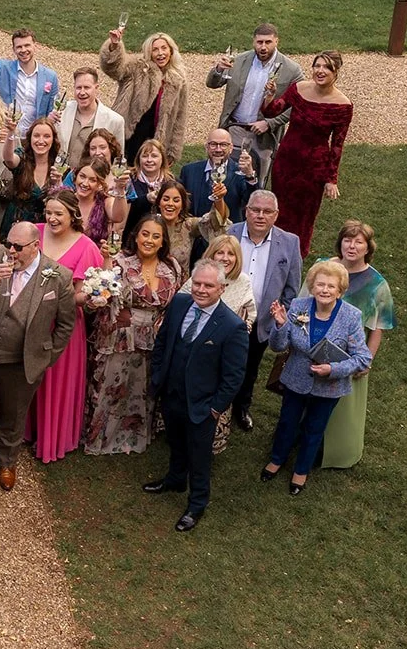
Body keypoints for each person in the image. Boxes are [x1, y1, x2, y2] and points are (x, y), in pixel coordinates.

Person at [144, 259, 250, 531]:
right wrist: (159, 375)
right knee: (175, 440)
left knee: (200, 456)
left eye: (209, 285)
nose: (201, 290)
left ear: (222, 288)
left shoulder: (232, 326)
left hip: (203, 404)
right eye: (198, 283)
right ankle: (175, 480)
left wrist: (215, 408)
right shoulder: (179, 304)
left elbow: (234, 376)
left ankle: (197, 503)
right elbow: (163, 341)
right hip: (171, 392)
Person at [0, 223, 77, 489]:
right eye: (9, 244)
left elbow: (66, 324)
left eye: (18, 247)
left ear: (35, 246)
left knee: (14, 414)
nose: (11, 251)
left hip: (22, 361)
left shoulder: (58, 276)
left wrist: (46, 356)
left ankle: (7, 462)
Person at [262, 260, 373, 495]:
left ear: (340, 290)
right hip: (295, 380)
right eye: (320, 284)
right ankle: (276, 459)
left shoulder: (351, 317)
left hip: (329, 387)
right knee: (287, 422)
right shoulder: (298, 306)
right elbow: (278, 345)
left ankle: (301, 471)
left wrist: (332, 370)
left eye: (331, 286)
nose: (325, 290)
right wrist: (281, 325)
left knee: (314, 428)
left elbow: (363, 358)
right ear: (312, 287)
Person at [83, 216, 181, 456]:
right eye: (145, 234)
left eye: (156, 236)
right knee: (111, 385)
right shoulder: (118, 263)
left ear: (162, 242)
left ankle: (132, 438)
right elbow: (99, 296)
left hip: (154, 337)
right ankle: (100, 439)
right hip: (119, 335)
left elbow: (174, 304)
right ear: (136, 236)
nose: (149, 240)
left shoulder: (172, 267)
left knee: (142, 387)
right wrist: (105, 261)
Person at [311, 220, 395, 469]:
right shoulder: (322, 267)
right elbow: (304, 302)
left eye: (359, 242)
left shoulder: (377, 284)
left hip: (348, 356)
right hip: (314, 346)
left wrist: (366, 359)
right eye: (348, 240)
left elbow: (378, 327)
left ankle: (335, 453)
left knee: (342, 411)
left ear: (368, 247)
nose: (352, 246)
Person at [29, 190, 106, 461]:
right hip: (29, 321)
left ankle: (52, 438)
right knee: (30, 377)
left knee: (54, 379)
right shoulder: (34, 233)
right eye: (48, 212)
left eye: (58, 213)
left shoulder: (86, 247)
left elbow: (80, 296)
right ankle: (29, 429)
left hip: (63, 327)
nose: (51, 218)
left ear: (73, 214)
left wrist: (63, 299)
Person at [262, 51, 353, 258]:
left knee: (304, 216)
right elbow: (271, 111)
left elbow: (337, 145)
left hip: (313, 168)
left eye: (327, 67)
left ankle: (295, 255)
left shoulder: (343, 105)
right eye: (317, 66)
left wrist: (331, 179)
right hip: (286, 160)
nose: (320, 71)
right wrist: (269, 95)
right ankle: (273, 250)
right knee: (280, 207)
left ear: (336, 72)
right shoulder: (299, 89)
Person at [226, 190, 303, 432]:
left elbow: (292, 287)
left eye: (267, 211)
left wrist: (282, 317)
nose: (260, 215)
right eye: (255, 210)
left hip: (261, 322)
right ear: (246, 211)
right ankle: (219, 405)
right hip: (226, 317)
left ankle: (241, 406)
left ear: (276, 215)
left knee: (249, 368)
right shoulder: (230, 234)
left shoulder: (290, 243)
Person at [178, 234, 257, 455]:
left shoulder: (243, 282)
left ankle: (209, 443)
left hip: (220, 353)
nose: (225, 257)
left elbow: (250, 314)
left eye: (230, 253)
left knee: (215, 397)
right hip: (193, 348)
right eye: (219, 252)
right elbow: (182, 302)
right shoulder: (200, 276)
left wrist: (244, 328)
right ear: (210, 254)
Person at [206, 23, 302, 183]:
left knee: (256, 183)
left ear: (277, 41)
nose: (263, 47)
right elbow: (212, 83)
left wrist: (270, 123)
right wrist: (219, 69)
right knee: (221, 179)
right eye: (259, 42)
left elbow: (299, 105)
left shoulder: (292, 69)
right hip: (234, 129)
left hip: (263, 137)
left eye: (268, 42)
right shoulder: (238, 60)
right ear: (253, 42)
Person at [100, 27, 189, 167]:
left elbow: (180, 117)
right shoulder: (138, 68)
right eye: (155, 49)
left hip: (154, 142)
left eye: (164, 48)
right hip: (128, 136)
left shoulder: (178, 80)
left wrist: (173, 151)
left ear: (171, 51)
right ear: (149, 52)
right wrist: (115, 45)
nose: (160, 53)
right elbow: (114, 69)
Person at [0, 29, 60, 129]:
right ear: (14, 49)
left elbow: (53, 108)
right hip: (5, 131)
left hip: (34, 136)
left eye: (27, 45)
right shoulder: (3, 68)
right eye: (19, 47)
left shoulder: (50, 76)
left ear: (35, 46)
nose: (23, 50)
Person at [0, 119, 64, 237]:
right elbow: (8, 158)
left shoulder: (58, 165)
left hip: (44, 228)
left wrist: (58, 183)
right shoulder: (22, 157)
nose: (41, 141)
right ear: (30, 138)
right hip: (16, 223)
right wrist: (11, 133)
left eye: (46, 136)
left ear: (53, 140)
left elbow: (62, 201)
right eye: (36, 136)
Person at [149, 178, 229, 278]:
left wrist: (219, 199)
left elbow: (216, 223)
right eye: (165, 199)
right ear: (159, 203)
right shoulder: (149, 225)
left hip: (180, 289)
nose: (170, 204)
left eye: (176, 200)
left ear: (182, 205)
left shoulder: (188, 225)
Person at [179, 128, 259, 221]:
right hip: (195, 231)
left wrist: (250, 175)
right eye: (213, 144)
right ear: (206, 147)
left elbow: (253, 201)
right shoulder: (189, 171)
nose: (218, 149)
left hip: (228, 232)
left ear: (231, 148)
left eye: (223, 145)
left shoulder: (240, 173)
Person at [56, 67, 125, 169]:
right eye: (79, 88)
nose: (82, 92)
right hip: (61, 177)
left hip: (94, 179)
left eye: (87, 87)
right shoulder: (62, 111)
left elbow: (118, 160)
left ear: (96, 88)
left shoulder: (114, 121)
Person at [72, 161, 119, 250]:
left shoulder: (105, 201)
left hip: (95, 259)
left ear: (99, 184)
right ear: (75, 177)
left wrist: (120, 189)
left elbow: (117, 217)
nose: (85, 183)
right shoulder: (66, 199)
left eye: (92, 180)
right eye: (82, 176)